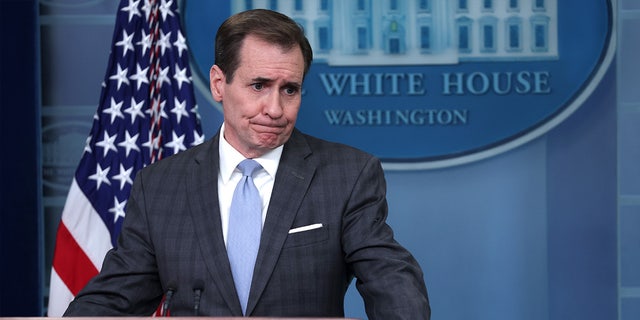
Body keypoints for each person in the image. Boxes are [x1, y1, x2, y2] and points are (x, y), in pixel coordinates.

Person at [64, 9, 430, 319]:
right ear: (219, 83)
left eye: (289, 89)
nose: (274, 108)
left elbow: (389, 278)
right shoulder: (159, 185)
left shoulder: (348, 174)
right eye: (259, 85)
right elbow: (115, 298)